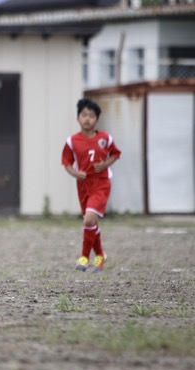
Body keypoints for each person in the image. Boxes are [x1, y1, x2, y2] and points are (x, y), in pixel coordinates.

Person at [62, 98, 121, 272]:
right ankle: (100, 256)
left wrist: (105, 165)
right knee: (91, 222)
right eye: (84, 115)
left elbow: (116, 154)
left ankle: (84, 258)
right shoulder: (72, 141)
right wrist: (75, 173)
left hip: (101, 183)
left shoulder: (105, 138)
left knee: (89, 219)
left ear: (97, 119)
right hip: (83, 185)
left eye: (91, 116)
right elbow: (66, 162)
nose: (87, 119)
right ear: (78, 118)